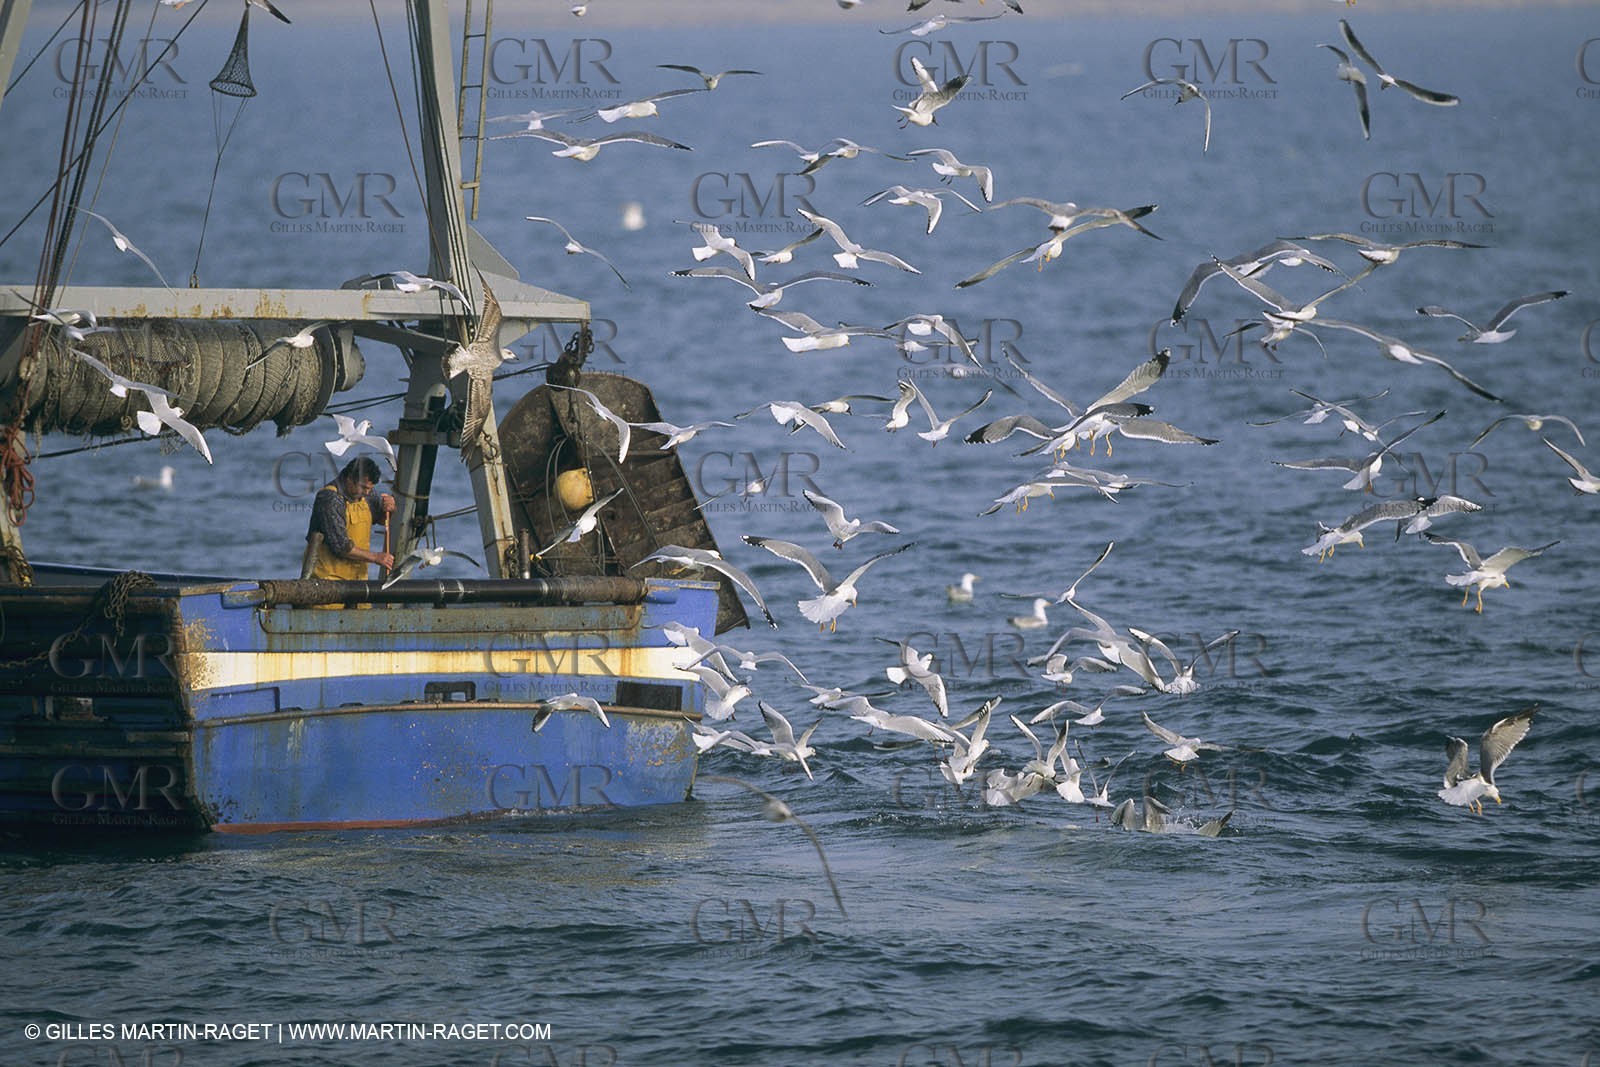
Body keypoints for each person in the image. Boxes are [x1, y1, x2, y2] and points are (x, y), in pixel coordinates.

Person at [306, 456, 395, 580]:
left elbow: (381, 519)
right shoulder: (330, 498)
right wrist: (376, 557)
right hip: (328, 577)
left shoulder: (366, 493)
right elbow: (341, 546)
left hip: (358, 577)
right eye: (364, 488)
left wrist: (390, 509)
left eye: (370, 488)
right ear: (349, 479)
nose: (368, 493)